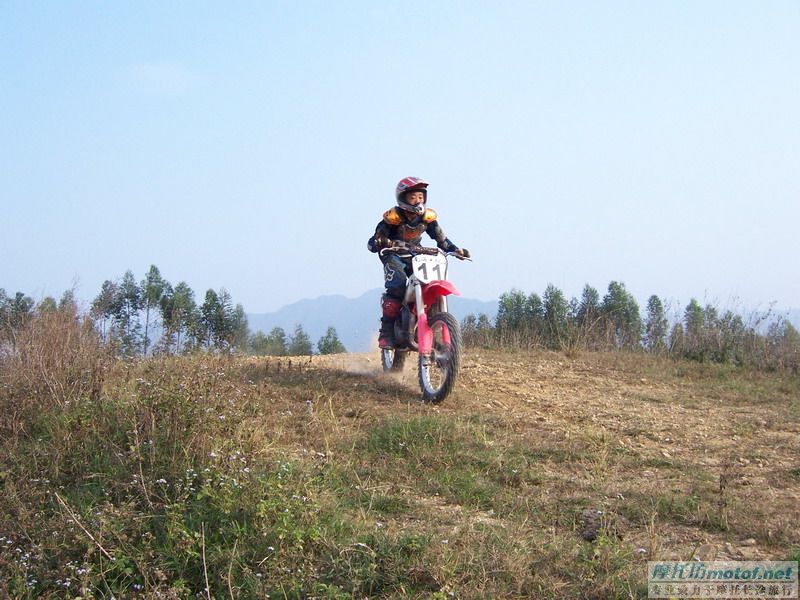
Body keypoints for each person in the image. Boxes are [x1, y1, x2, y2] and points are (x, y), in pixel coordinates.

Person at [367, 176, 470, 349]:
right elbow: (374, 240)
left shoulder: (427, 217)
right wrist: (379, 242)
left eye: (420, 197)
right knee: (398, 286)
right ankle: (386, 333)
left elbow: (441, 239)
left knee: (428, 283)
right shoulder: (393, 217)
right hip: (394, 254)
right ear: (403, 197)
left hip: (416, 254)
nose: (417, 201)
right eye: (413, 197)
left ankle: (429, 323)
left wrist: (454, 249)